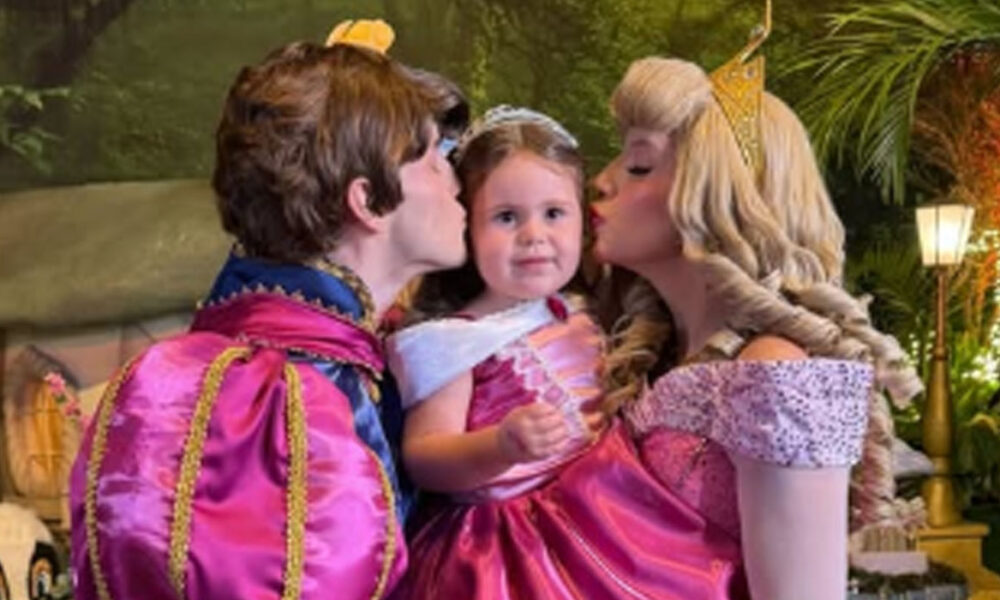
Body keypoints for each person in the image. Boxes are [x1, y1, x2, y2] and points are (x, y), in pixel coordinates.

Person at [69, 20, 469, 600]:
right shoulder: (270, 404)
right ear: (369, 201)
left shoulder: (323, 361)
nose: (456, 182)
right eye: (434, 158)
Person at [590, 12, 922, 600]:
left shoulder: (775, 371)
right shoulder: (652, 356)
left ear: (714, 198)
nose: (602, 181)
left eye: (639, 164)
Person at [387, 106, 748, 599]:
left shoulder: (580, 310)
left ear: (582, 221)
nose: (533, 236)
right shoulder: (458, 339)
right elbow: (424, 457)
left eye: (554, 214)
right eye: (506, 217)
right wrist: (500, 446)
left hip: (605, 514)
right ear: (469, 228)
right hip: (505, 547)